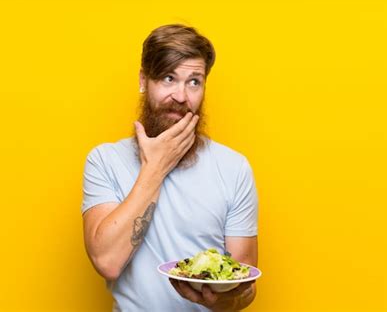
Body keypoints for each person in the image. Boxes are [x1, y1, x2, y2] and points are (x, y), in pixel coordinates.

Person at [81, 24, 259, 311]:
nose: (181, 96)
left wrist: (227, 299)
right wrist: (156, 167)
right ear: (143, 80)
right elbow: (107, 262)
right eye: (168, 78)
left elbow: (245, 283)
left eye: (194, 82)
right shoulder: (105, 161)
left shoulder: (234, 168)